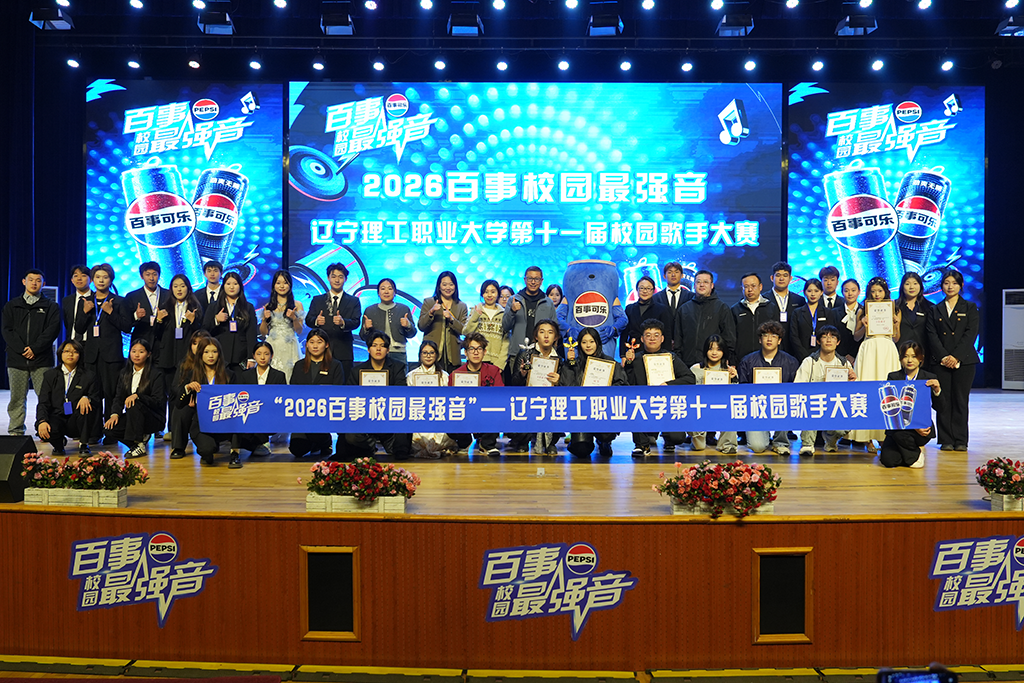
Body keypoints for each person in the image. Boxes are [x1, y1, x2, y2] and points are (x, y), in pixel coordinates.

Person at [623, 318, 696, 458]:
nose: (652, 338)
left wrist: (669, 384)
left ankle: (668, 439)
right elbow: (627, 384)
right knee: (634, 406)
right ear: (642, 339)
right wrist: (629, 364)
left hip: (666, 404)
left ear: (662, 339)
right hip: (643, 404)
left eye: (656, 335)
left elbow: (689, 378)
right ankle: (642, 445)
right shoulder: (635, 359)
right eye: (648, 335)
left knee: (677, 438)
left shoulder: (671, 358)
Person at [925, 269, 980, 452]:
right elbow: (932, 335)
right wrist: (944, 357)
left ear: (961, 285)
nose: (950, 287)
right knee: (943, 400)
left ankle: (961, 440)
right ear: (941, 285)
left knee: (960, 400)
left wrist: (955, 357)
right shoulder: (935, 309)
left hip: (964, 361)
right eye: (946, 283)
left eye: (954, 283)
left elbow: (971, 334)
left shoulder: (970, 307)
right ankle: (946, 439)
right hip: (940, 362)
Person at [3, 269, 60, 436]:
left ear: (43, 284)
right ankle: (16, 431)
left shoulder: (51, 306)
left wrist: (35, 348)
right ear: (24, 282)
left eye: (38, 280)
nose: (34, 283)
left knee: (45, 397)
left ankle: (45, 430)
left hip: (41, 359)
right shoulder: (12, 305)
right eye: (31, 280)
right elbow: (7, 330)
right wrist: (22, 349)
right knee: (17, 398)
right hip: (16, 359)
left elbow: (52, 330)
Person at [78, 263, 131, 433]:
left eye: (105, 277)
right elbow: (78, 328)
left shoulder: (120, 301)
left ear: (111, 279)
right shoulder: (86, 301)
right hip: (91, 355)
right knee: (92, 393)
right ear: (92, 280)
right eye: (98, 277)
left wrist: (110, 312)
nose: (101, 280)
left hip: (112, 356)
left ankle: (111, 431)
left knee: (111, 393)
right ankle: (93, 431)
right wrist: (85, 312)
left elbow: (127, 326)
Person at [343, 331, 412, 460]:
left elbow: (401, 392)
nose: (378, 349)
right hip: (364, 417)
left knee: (401, 448)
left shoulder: (397, 367)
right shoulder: (357, 370)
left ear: (388, 350)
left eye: (382, 346)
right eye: (374, 345)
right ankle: (368, 448)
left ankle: (394, 448)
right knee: (351, 436)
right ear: (368, 349)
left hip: (389, 417)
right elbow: (350, 396)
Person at [850, 277, 902, 450]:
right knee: (868, 390)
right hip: (869, 349)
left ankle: (883, 436)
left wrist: (896, 325)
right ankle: (867, 438)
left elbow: (896, 338)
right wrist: (864, 325)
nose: (876, 294)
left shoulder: (894, 309)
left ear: (885, 292)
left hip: (887, 349)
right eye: (873, 291)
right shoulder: (863, 309)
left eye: (879, 291)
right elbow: (856, 337)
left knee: (887, 392)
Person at [508, 319, 570, 454]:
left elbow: (565, 389)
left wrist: (559, 382)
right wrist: (522, 374)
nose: (546, 336)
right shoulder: (525, 354)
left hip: (549, 400)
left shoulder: (559, 359)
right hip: (528, 398)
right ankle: (523, 440)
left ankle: (550, 442)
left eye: (550, 332)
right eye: (542, 332)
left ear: (556, 337)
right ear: (536, 336)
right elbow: (514, 383)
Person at [737, 321, 800, 455]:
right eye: (765, 336)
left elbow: (795, 391)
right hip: (756, 407)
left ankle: (780, 442)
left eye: (774, 336)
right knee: (758, 447)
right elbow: (742, 390)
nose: (769, 339)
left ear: (779, 341)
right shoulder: (747, 361)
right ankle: (763, 436)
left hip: (780, 406)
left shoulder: (791, 362)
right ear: (760, 340)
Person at [794, 325, 857, 456]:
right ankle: (807, 444)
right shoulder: (809, 362)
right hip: (814, 403)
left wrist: (852, 381)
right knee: (809, 405)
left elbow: (852, 392)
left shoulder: (844, 363)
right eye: (824, 337)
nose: (829, 340)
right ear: (818, 341)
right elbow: (798, 386)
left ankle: (831, 441)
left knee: (846, 424)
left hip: (835, 405)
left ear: (838, 342)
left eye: (833, 337)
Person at [565, 326, 627, 458]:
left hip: (603, 409)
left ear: (597, 342)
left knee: (606, 435)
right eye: (584, 342)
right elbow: (566, 386)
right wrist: (569, 364)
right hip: (581, 411)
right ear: (579, 344)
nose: (588, 345)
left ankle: (604, 441)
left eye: (591, 341)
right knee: (581, 450)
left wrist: (607, 390)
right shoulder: (574, 363)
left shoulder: (610, 363)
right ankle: (579, 440)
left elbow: (622, 384)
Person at [880, 341, 942, 468]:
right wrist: (913, 426)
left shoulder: (929, 377)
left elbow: (941, 408)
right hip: (899, 427)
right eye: (905, 356)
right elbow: (892, 409)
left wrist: (937, 391)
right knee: (888, 460)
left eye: (914, 356)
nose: (909, 360)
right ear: (900, 359)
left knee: (899, 433)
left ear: (921, 358)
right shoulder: (893, 377)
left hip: (922, 429)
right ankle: (913, 455)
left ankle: (911, 454)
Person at [154, 274, 202, 439]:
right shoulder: (165, 306)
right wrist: (159, 321)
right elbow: (156, 334)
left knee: (188, 392)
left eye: (182, 286)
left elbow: (200, 333)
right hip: (168, 357)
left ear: (188, 288)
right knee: (172, 393)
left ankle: (189, 429)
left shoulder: (195, 306)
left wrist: (193, 321)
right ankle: (173, 429)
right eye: (175, 286)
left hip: (187, 358)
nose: (179, 289)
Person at [35, 340, 101, 455]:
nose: (70, 354)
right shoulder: (50, 375)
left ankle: (84, 444)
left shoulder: (89, 375)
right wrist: (42, 421)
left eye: (75, 352)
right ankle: (58, 445)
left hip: (77, 417)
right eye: (67, 351)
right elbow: (43, 402)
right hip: (57, 415)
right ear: (60, 353)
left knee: (87, 407)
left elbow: (96, 397)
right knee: (44, 426)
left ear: (80, 355)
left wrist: (87, 398)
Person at [103, 339, 165, 459]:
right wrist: (114, 414)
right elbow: (118, 397)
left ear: (148, 354)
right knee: (109, 429)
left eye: (141, 352)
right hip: (133, 418)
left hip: (153, 417)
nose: (136, 355)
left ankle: (140, 439)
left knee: (135, 403)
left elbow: (158, 401)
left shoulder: (156, 374)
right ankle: (138, 444)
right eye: (133, 351)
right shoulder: (124, 373)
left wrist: (138, 396)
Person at [289, 329, 346, 459]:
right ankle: (315, 443)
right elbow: (293, 389)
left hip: (324, 412)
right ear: (306, 344)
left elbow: (338, 390)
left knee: (316, 434)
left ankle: (325, 441)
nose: (315, 346)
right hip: (303, 412)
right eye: (312, 342)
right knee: (297, 449)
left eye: (319, 342)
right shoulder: (299, 365)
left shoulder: (335, 365)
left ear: (326, 345)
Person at [448, 333, 506, 457]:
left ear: (484, 352)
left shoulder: (493, 371)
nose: (476, 352)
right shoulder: (456, 374)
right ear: (466, 352)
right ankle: (464, 442)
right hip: (464, 411)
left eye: (479, 349)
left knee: (497, 410)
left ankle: (487, 444)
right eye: (472, 349)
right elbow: (450, 398)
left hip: (486, 411)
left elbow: (500, 394)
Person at [501, 266, 557, 385]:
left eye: (536, 279)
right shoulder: (514, 300)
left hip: (541, 354)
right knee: (517, 386)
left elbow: (554, 330)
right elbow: (505, 326)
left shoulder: (548, 302)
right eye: (530, 278)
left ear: (541, 281)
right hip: (517, 353)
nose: (533, 282)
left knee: (540, 386)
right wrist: (512, 311)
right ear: (525, 279)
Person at [305, 262, 360, 378]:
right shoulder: (318, 300)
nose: (337, 280)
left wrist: (343, 322)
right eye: (333, 276)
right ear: (328, 278)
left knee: (344, 382)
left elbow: (356, 322)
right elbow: (308, 320)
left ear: (345, 279)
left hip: (344, 350)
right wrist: (316, 321)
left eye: (340, 277)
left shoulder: (353, 301)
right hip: (321, 351)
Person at [234, 340, 287, 458]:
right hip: (250, 413)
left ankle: (262, 442)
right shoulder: (246, 375)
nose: (262, 357)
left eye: (266, 354)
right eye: (259, 354)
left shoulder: (279, 375)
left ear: (271, 356)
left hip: (270, 414)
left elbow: (282, 398)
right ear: (253, 356)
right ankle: (259, 444)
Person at [673, 269, 736, 367]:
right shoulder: (684, 309)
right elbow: (678, 339)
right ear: (694, 285)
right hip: (687, 363)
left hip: (713, 363)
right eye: (698, 282)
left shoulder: (722, 308)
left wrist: (727, 359)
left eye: (706, 282)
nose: (701, 285)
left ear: (712, 285)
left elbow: (729, 338)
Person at [689, 334, 738, 455]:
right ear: (706, 350)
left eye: (718, 349)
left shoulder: (728, 370)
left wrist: (734, 378)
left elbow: (735, 395)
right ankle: (696, 439)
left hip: (721, 407)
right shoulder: (696, 369)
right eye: (711, 349)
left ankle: (726, 444)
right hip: (700, 408)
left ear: (723, 351)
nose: (714, 353)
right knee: (699, 447)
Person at [407, 340, 457, 458]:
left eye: (431, 353)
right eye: (425, 353)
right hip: (418, 413)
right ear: (420, 355)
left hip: (439, 413)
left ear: (436, 355)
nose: (428, 356)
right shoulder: (411, 375)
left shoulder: (444, 375)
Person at [202, 271, 257, 376]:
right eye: (228, 284)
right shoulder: (214, 306)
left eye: (235, 284)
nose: (231, 287)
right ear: (223, 286)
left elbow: (251, 333)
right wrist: (216, 320)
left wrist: (251, 357)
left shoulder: (248, 307)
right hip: (220, 354)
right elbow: (205, 330)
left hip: (241, 356)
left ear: (240, 286)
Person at [168, 330, 211, 460]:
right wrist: (187, 392)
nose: (197, 347)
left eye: (201, 343)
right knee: (179, 408)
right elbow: (175, 388)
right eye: (194, 343)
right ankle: (178, 447)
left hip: (209, 404)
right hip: (188, 402)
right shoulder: (184, 364)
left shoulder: (216, 363)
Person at [418, 271, 467, 373]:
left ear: (455, 286)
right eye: (444, 284)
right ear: (439, 286)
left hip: (453, 355)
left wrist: (452, 319)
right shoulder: (429, 302)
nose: (448, 288)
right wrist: (431, 312)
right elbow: (421, 326)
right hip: (431, 354)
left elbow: (464, 330)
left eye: (451, 284)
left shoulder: (461, 306)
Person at [360, 278, 416, 367]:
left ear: (395, 292)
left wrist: (408, 325)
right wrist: (366, 328)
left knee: (399, 375)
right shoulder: (370, 310)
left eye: (390, 288)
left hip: (398, 353)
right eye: (383, 289)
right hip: (377, 353)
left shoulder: (404, 309)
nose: (386, 292)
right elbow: (363, 336)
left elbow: (412, 334)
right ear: (378, 293)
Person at [259, 270, 304, 376]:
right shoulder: (268, 306)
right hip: (273, 345)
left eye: (285, 283)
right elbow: (263, 333)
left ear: (290, 285)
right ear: (274, 285)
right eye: (278, 283)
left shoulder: (297, 305)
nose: (282, 286)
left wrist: (294, 318)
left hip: (290, 346)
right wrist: (264, 319)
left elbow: (299, 331)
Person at [621, 276, 674, 358]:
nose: (645, 291)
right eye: (642, 288)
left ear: (653, 290)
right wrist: (623, 355)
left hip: (655, 351)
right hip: (633, 352)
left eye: (648, 288)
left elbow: (667, 335)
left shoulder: (662, 309)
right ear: (637, 290)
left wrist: (667, 355)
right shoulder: (630, 309)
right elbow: (624, 333)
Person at [732, 272, 778, 361]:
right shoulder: (735, 309)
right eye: (746, 286)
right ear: (742, 288)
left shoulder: (771, 307)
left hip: (766, 358)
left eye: (753, 286)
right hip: (742, 359)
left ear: (760, 287)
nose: (750, 289)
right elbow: (732, 337)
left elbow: (776, 334)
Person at [124, 261, 170, 349]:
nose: (151, 278)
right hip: (141, 342)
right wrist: (136, 316)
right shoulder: (132, 296)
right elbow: (126, 324)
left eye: (154, 274)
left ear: (159, 275)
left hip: (164, 341)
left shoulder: (169, 295)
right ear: (141, 276)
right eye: (147, 275)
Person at [463, 279, 509, 367]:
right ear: (482, 294)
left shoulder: (504, 314)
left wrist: (500, 363)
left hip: (495, 362)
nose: (489, 295)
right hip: (475, 360)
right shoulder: (475, 311)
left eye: (493, 292)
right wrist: (475, 316)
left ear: (498, 294)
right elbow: (466, 332)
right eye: (486, 292)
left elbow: (506, 341)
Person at [769, 261, 806, 357]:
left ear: (790, 278)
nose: (781, 278)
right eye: (778, 275)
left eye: (785, 275)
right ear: (772, 278)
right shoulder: (764, 300)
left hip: (793, 349)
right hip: (770, 348)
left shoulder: (800, 300)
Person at [896, 272, 933, 367]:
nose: (911, 287)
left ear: (920, 286)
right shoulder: (894, 307)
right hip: (900, 354)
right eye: (907, 284)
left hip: (923, 354)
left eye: (915, 283)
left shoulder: (930, 307)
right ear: (902, 287)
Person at [792, 278, 833, 362]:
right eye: (809, 291)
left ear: (821, 292)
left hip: (822, 356)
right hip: (801, 356)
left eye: (816, 291)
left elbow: (831, 335)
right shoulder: (797, 312)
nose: (813, 294)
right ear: (804, 292)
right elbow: (794, 337)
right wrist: (805, 357)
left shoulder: (827, 312)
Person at [652, 261, 694, 326]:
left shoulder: (691, 297)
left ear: (682, 275)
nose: (673, 275)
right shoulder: (655, 298)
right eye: (670, 272)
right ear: (664, 276)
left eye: (676, 272)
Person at [61, 264, 94, 344]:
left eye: (83, 276)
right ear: (72, 280)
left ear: (91, 280)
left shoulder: (96, 299)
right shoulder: (66, 300)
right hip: (73, 343)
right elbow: (67, 323)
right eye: (76, 276)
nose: (79, 278)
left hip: (91, 343)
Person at [834, 278, 863, 366]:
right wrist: (845, 355)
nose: (850, 294)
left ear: (859, 292)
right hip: (839, 357)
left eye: (853, 290)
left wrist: (854, 355)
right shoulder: (834, 312)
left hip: (861, 356)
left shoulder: (865, 312)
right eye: (846, 291)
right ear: (842, 292)